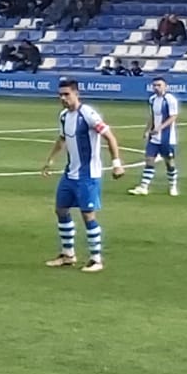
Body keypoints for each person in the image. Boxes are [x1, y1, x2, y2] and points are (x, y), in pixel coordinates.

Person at [42, 78, 126, 273]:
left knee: (87, 215)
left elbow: (109, 136)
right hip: (70, 173)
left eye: (67, 94)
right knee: (61, 209)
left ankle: (96, 259)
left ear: (76, 94)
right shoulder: (64, 116)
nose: (63, 98)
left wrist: (116, 164)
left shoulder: (87, 114)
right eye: (60, 95)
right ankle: (68, 254)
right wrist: (51, 159)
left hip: (88, 175)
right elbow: (62, 138)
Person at [130, 76, 180, 197]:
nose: (156, 88)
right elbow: (152, 116)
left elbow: (173, 117)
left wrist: (160, 128)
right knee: (149, 160)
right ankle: (144, 186)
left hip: (167, 138)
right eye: (155, 85)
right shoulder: (152, 99)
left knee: (169, 163)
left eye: (159, 85)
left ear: (165, 86)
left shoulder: (170, 99)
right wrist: (147, 130)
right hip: (154, 138)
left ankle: (172, 185)